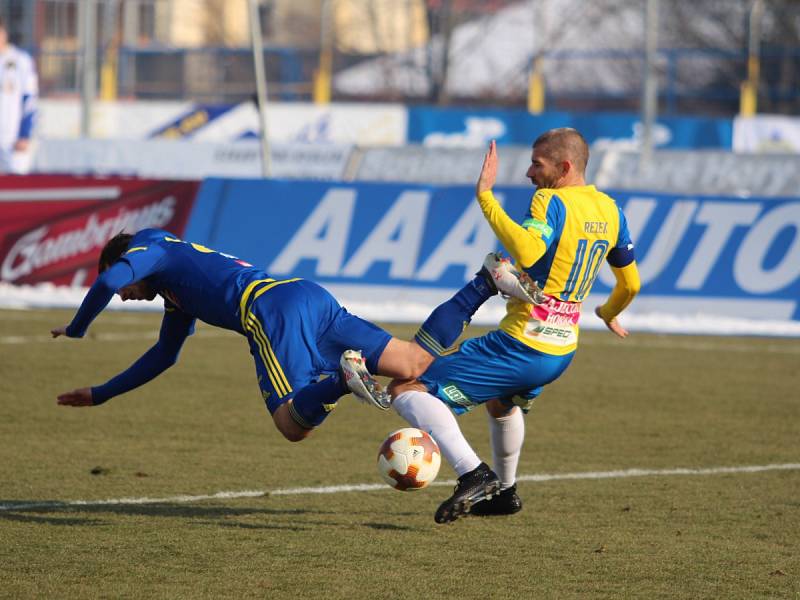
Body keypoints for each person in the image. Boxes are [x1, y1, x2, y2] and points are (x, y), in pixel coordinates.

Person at [51, 228, 529, 443]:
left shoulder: (150, 247)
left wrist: (76, 329)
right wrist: (103, 394)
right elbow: (164, 356)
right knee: (412, 363)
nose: (123, 295)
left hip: (270, 310)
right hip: (306, 296)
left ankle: (343, 379)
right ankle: (485, 282)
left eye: (124, 285)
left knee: (291, 425)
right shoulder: (174, 291)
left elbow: (108, 281)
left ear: (123, 261)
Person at [390, 129, 641, 523]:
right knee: (502, 403)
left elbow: (527, 249)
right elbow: (631, 284)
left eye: (536, 164)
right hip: (561, 351)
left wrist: (486, 198)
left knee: (406, 387)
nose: (528, 173)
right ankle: (504, 494)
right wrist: (608, 312)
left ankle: (473, 474)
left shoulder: (550, 200)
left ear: (565, 167)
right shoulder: (612, 210)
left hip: (523, 343)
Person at [0, 15, 37, 174]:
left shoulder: (21, 60)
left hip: (12, 142)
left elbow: (29, 100)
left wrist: (24, 134)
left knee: (14, 185)